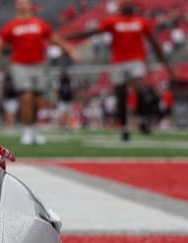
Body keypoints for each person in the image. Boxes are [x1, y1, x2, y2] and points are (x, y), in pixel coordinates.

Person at [67, 1, 173, 141]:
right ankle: (124, 126)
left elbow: (153, 42)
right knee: (121, 95)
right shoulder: (114, 21)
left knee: (141, 89)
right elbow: (95, 31)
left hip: (136, 61)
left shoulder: (140, 22)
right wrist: (73, 36)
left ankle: (143, 120)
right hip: (119, 62)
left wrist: (166, 64)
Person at [0, 0, 78, 145]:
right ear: (16, 6)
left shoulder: (40, 23)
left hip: (40, 65)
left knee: (37, 100)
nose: (23, 5)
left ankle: (33, 131)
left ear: (30, 5)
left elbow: (55, 39)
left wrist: (70, 50)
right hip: (20, 66)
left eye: (25, 2)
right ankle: (26, 132)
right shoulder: (11, 26)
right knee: (26, 96)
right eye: (20, 3)